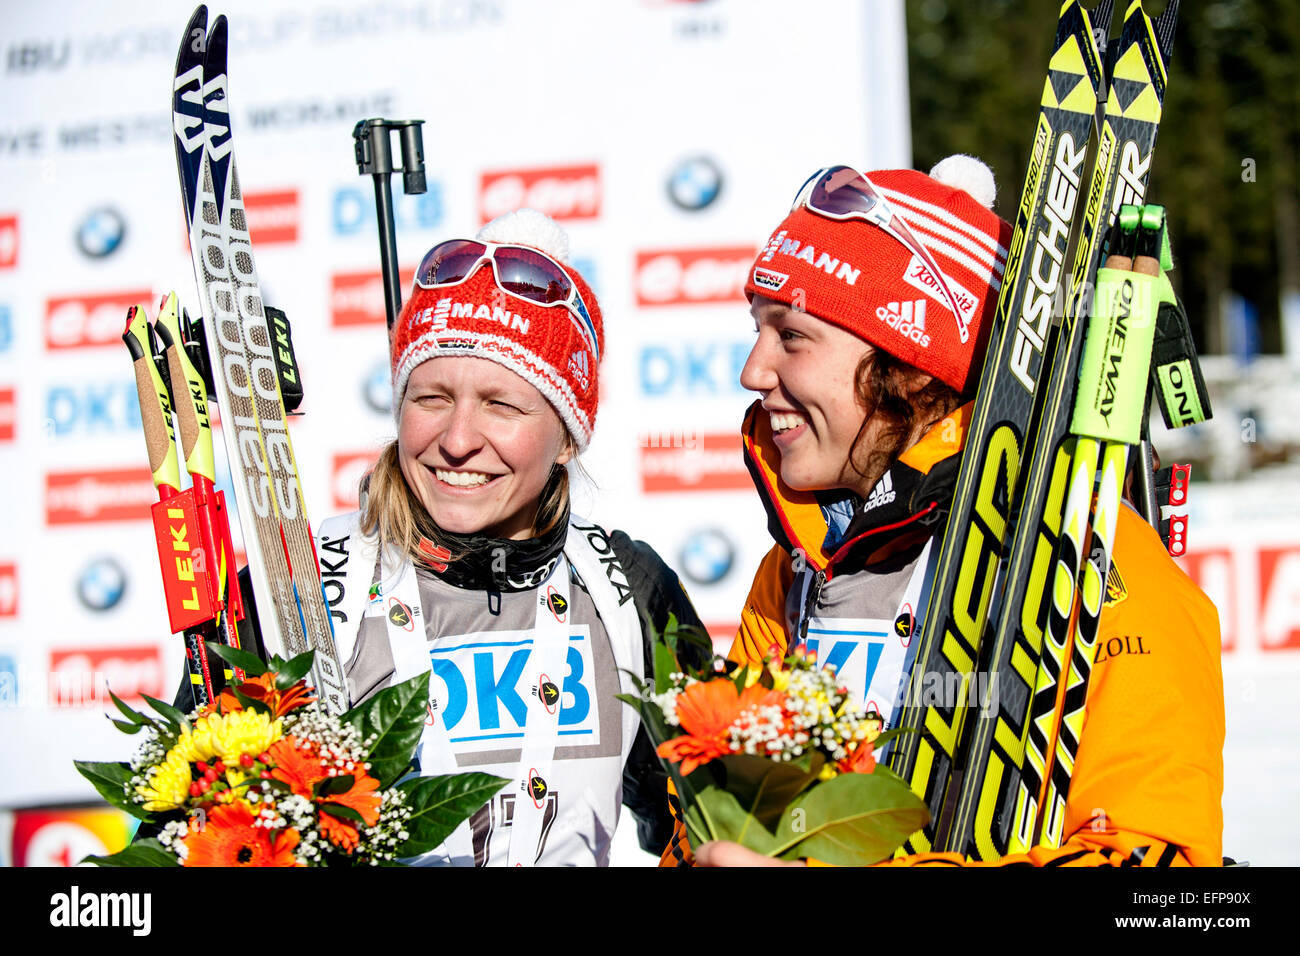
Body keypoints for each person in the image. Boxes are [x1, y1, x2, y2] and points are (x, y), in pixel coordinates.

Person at [676, 158, 1224, 867]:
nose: (753, 370)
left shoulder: (1099, 569)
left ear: (908, 362)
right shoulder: (792, 573)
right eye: (759, 330)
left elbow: (1157, 868)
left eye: (792, 335)